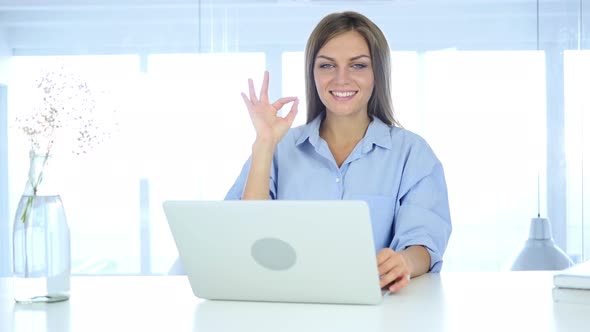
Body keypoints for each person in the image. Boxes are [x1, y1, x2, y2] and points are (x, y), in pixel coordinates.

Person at [225, 11, 451, 293]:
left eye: (357, 65)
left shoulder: (412, 153)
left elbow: (425, 243)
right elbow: (245, 237)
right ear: (313, 73)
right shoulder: (277, 149)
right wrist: (264, 143)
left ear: (377, 73)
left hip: (380, 313)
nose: (341, 79)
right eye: (327, 66)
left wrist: (403, 262)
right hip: (287, 308)